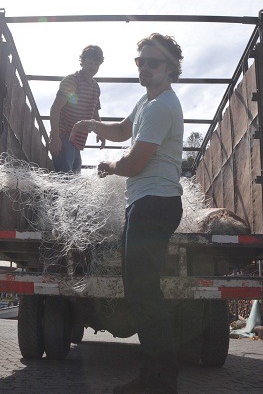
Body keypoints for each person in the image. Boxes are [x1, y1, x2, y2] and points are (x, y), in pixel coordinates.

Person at [71, 33, 184, 394]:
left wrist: (108, 166)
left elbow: (135, 162)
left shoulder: (162, 106)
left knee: (143, 291)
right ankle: (158, 376)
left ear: (170, 68)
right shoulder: (145, 102)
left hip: (155, 203)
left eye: (154, 63)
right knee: (141, 288)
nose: (145, 68)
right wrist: (91, 124)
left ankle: (159, 380)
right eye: (141, 62)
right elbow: (121, 130)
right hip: (146, 203)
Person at [48, 45, 105, 173]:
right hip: (63, 136)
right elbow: (55, 108)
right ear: (83, 62)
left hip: (78, 141)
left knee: (74, 179)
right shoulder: (72, 81)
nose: (93, 67)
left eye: (96, 64)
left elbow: (95, 113)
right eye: (90, 63)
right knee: (65, 179)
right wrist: (55, 136)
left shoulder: (96, 87)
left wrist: (101, 132)